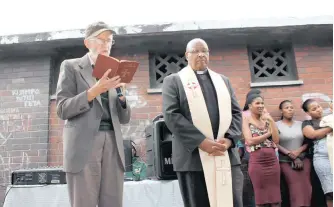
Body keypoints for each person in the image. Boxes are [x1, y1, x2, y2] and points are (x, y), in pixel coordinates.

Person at [56, 21, 131, 207]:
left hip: (113, 141)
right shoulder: (71, 66)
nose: (106, 44)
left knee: (113, 201)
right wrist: (94, 91)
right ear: (87, 43)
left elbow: (124, 118)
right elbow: (62, 108)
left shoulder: (115, 69)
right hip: (83, 143)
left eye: (110, 41)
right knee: (84, 202)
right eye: (101, 39)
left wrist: (121, 97)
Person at [162, 38, 243, 207]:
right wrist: (200, 142)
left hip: (224, 153)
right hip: (192, 158)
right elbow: (172, 115)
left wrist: (230, 139)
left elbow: (236, 113)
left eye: (204, 51)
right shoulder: (174, 81)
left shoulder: (223, 81)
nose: (200, 55)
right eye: (195, 51)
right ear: (186, 55)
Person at [242, 93, 281, 207]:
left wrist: (271, 121)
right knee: (260, 197)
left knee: (275, 197)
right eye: (257, 103)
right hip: (257, 161)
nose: (260, 105)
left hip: (272, 160)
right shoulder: (246, 120)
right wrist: (268, 133)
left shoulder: (268, 120)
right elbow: (249, 141)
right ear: (250, 106)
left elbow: (276, 140)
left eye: (262, 103)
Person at [276, 100, 312, 207]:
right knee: (295, 187)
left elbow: (308, 142)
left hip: (303, 160)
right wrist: (290, 154)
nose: (290, 110)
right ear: (281, 110)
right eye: (287, 108)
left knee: (307, 187)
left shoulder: (301, 124)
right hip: (285, 161)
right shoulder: (275, 125)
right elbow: (274, 143)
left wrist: (298, 152)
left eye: (292, 107)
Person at [302, 99, 333, 207]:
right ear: (308, 113)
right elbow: (312, 135)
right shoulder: (307, 123)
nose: (318, 110)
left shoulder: (330, 118)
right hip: (322, 158)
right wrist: (331, 127)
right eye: (314, 109)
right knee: (330, 192)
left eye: (319, 107)